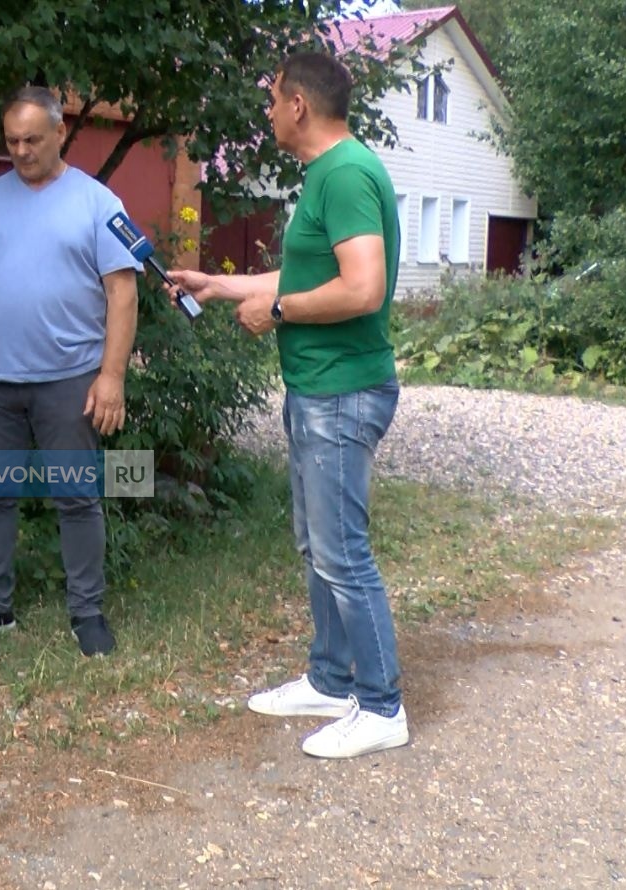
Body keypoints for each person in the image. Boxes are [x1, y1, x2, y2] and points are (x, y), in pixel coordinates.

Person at [168, 52, 407, 758]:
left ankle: (382, 706)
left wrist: (273, 309)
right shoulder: (327, 174)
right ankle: (332, 680)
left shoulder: (347, 174)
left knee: (342, 554)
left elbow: (363, 288)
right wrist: (221, 285)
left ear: (298, 104)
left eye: (272, 99)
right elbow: (309, 273)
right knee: (317, 547)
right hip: (317, 388)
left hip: (342, 389)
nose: (267, 111)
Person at [0, 85, 141, 657]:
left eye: (32, 140)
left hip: (70, 380)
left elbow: (122, 291)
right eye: (12, 140)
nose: (20, 151)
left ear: (60, 132)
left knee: (77, 497)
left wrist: (110, 376)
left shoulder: (96, 202)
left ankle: (87, 614)